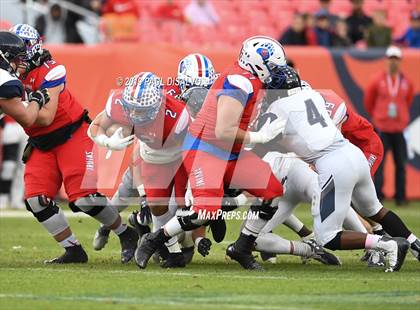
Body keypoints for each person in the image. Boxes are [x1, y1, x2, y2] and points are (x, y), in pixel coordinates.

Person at [135, 36, 288, 271]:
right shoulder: (240, 83)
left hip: (230, 152)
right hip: (206, 150)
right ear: (257, 63)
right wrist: (259, 137)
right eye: (273, 67)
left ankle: (242, 248)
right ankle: (156, 239)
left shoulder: (250, 78)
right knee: (204, 211)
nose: (276, 72)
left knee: (273, 191)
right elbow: (224, 130)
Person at [262, 65, 419, 272]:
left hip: (334, 164)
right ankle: (416, 245)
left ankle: (386, 245)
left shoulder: (279, 107)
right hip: (353, 154)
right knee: (374, 210)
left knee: (327, 237)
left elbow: (260, 141)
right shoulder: (315, 96)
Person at [10, 24, 138, 264]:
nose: (12, 57)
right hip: (41, 141)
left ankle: (126, 233)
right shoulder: (8, 75)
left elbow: (47, 116)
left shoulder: (51, 70)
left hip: (71, 134)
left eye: (18, 50)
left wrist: (25, 104)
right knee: (36, 200)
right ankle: (73, 250)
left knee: (83, 198)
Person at [89, 71, 191, 268]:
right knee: (149, 203)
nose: (135, 115)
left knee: (180, 210)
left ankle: (169, 248)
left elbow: (193, 153)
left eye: (141, 110)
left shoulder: (178, 116)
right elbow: (95, 126)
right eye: (132, 109)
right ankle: (108, 227)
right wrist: (107, 142)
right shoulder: (119, 103)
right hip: (148, 157)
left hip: (179, 158)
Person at [364, 46, 414, 206]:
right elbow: (369, 102)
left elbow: (408, 101)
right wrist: (379, 117)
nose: (393, 62)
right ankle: (378, 196)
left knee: (401, 164)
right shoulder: (377, 80)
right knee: (380, 164)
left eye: (396, 59)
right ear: (386, 60)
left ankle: (401, 197)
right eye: (391, 58)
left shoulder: (406, 82)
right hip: (383, 128)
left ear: (400, 61)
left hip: (399, 129)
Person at [0, 31, 49, 128]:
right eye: (17, 59)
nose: (20, 62)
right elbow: (27, 119)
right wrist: (37, 99)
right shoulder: (7, 83)